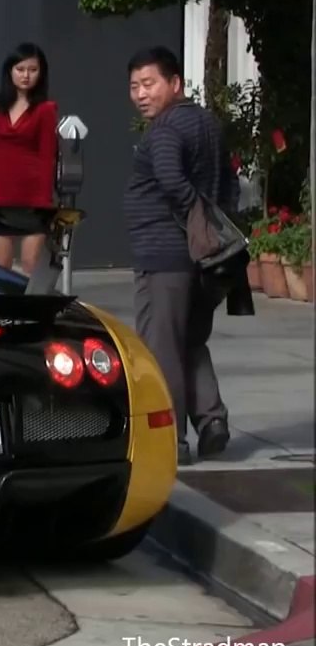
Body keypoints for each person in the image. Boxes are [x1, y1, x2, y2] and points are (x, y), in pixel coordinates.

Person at [123, 45, 238, 466]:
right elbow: (229, 181)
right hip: (200, 259)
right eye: (134, 86)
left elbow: (171, 179)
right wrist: (213, 226)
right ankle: (212, 421)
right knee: (189, 339)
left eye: (149, 83)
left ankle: (172, 439)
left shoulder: (167, 129)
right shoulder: (205, 122)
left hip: (165, 255)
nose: (140, 93)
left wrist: (195, 217)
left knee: (161, 347)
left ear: (175, 84)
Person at [0, 42, 58, 273]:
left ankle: (29, 310)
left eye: (33, 70)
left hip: (33, 200)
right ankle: (4, 311)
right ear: (10, 71)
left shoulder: (46, 109)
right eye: (20, 69)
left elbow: (46, 157)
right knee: (1, 267)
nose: (26, 75)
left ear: (41, 73)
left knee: (31, 265)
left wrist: (44, 203)